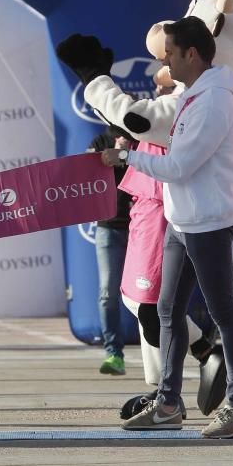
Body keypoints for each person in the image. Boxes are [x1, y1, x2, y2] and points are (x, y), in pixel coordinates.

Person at [103, 17, 233, 438]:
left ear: (191, 54)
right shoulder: (192, 96)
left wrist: (127, 159)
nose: (163, 61)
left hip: (208, 223)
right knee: (166, 310)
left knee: (223, 313)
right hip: (182, 221)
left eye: (169, 52)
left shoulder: (213, 101)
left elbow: (180, 166)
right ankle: (168, 403)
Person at [87, 127, 132, 375]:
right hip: (108, 228)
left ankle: (160, 356)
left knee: (152, 295)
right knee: (107, 293)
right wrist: (114, 153)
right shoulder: (101, 140)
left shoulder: (145, 138)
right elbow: (85, 174)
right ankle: (114, 352)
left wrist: (129, 152)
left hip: (142, 226)